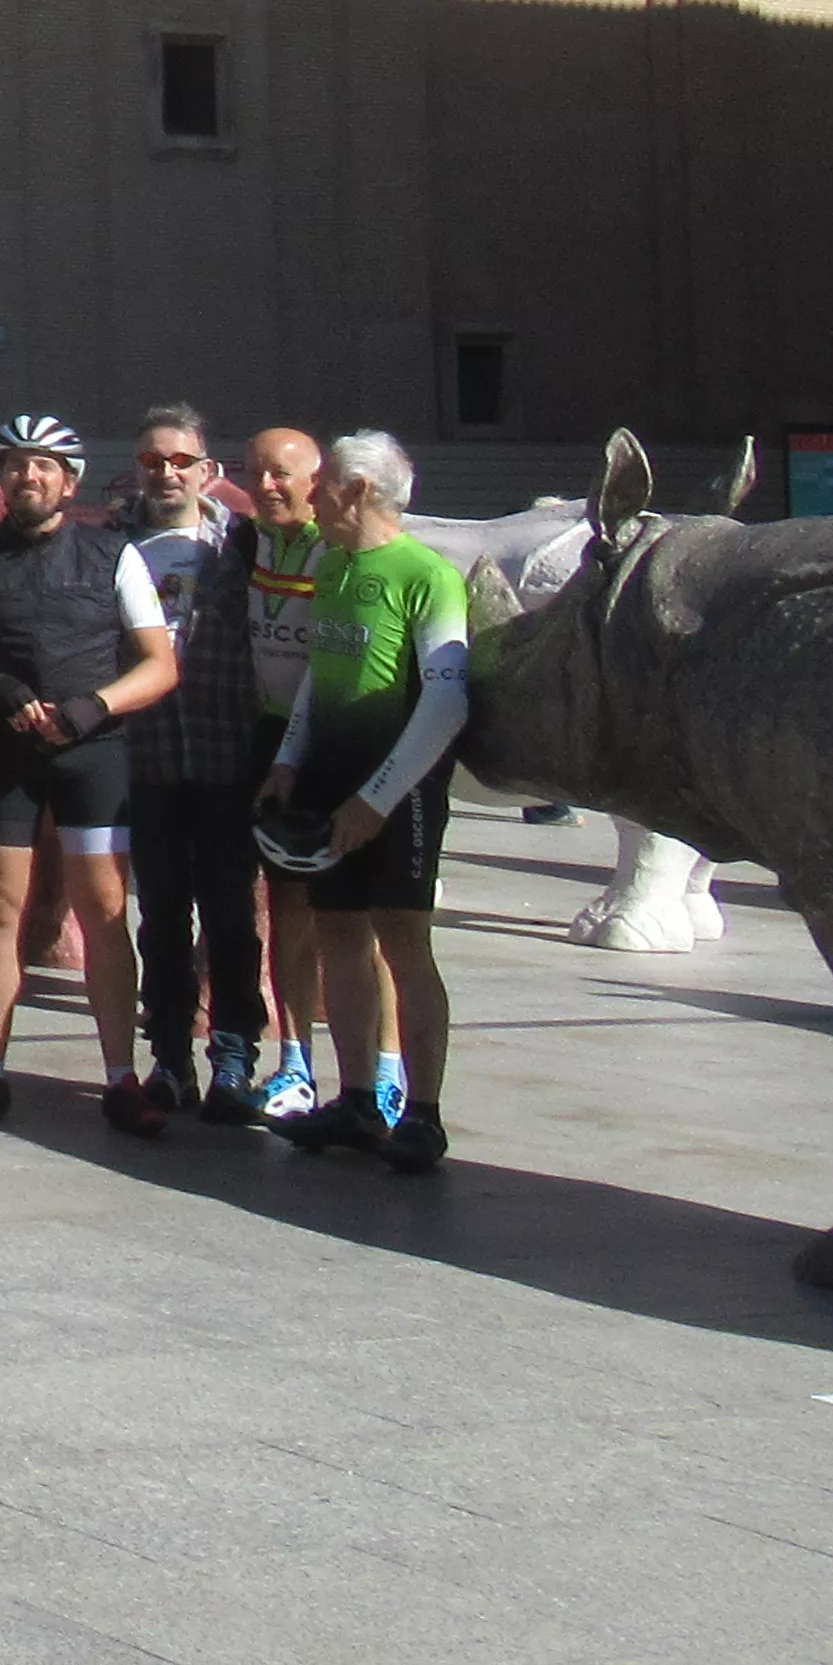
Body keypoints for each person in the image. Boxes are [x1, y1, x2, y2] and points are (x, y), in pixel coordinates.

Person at [0, 413, 176, 1128]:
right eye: (14, 465)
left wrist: (93, 707)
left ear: (69, 482)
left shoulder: (114, 553)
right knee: (0, 913)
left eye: (43, 466)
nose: (27, 476)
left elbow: (161, 664)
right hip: (2, 752)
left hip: (92, 751)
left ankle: (120, 1077)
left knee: (103, 912)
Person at [264, 430, 470, 1173]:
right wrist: (290, 758)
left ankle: (422, 1113)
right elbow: (322, 670)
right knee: (338, 937)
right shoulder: (336, 565)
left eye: (322, 487)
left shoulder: (428, 575)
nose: (310, 496)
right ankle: (354, 1100)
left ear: (355, 491)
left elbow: (447, 702)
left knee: (404, 945)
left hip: (400, 789)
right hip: (330, 778)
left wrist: (379, 799)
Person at [117, 407, 271, 1123]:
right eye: (154, 461)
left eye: (181, 460)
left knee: (232, 915)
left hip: (223, 753)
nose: (167, 473)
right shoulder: (114, 544)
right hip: (147, 758)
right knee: (162, 917)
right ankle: (170, 1056)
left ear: (206, 469)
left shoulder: (241, 544)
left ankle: (235, 1053)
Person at [214, 425, 341, 1122]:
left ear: (315, 480)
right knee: (287, 907)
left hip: (331, 741)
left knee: (355, 919)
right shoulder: (245, 540)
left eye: (281, 473)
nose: (265, 485)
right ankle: (295, 1064)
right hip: (265, 735)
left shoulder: (339, 546)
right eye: (254, 470)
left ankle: (377, 1076)